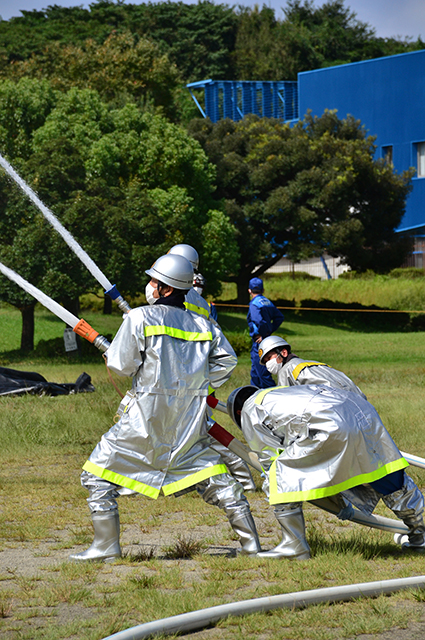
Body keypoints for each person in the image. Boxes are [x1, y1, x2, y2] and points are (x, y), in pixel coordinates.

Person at [70, 254, 261, 562]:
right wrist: (198, 383)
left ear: (166, 288)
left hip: (145, 417)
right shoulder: (204, 324)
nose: (150, 286)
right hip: (189, 416)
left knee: (96, 474)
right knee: (216, 476)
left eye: (154, 282)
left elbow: (121, 365)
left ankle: (105, 546)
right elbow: (227, 360)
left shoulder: (139, 317)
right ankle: (251, 544)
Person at [227, 384, 425, 559]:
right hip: (362, 412)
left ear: (237, 412)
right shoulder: (277, 393)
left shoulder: (249, 409)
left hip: (331, 425)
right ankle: (420, 537)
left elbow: (269, 457)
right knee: (387, 476)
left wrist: (337, 506)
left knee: (279, 474)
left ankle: (293, 545)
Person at [169, 244, 256, 492]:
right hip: (196, 372)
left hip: (181, 376)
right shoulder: (200, 302)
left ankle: (241, 475)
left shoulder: (180, 298)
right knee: (190, 431)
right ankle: (183, 481)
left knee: (203, 431)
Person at [258, 336, 366, 399]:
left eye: (269, 358)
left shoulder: (286, 370)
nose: (268, 363)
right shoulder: (314, 364)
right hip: (359, 403)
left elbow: (284, 403)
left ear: (284, 353)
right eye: (266, 361)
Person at [247, 277, 284, 388]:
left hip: (260, 342)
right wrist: (270, 329)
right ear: (263, 290)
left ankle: (273, 394)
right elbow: (279, 317)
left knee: (262, 373)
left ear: (249, 290)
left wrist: (262, 334)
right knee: (255, 373)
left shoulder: (254, 304)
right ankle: (254, 395)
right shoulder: (267, 302)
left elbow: (258, 320)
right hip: (267, 339)